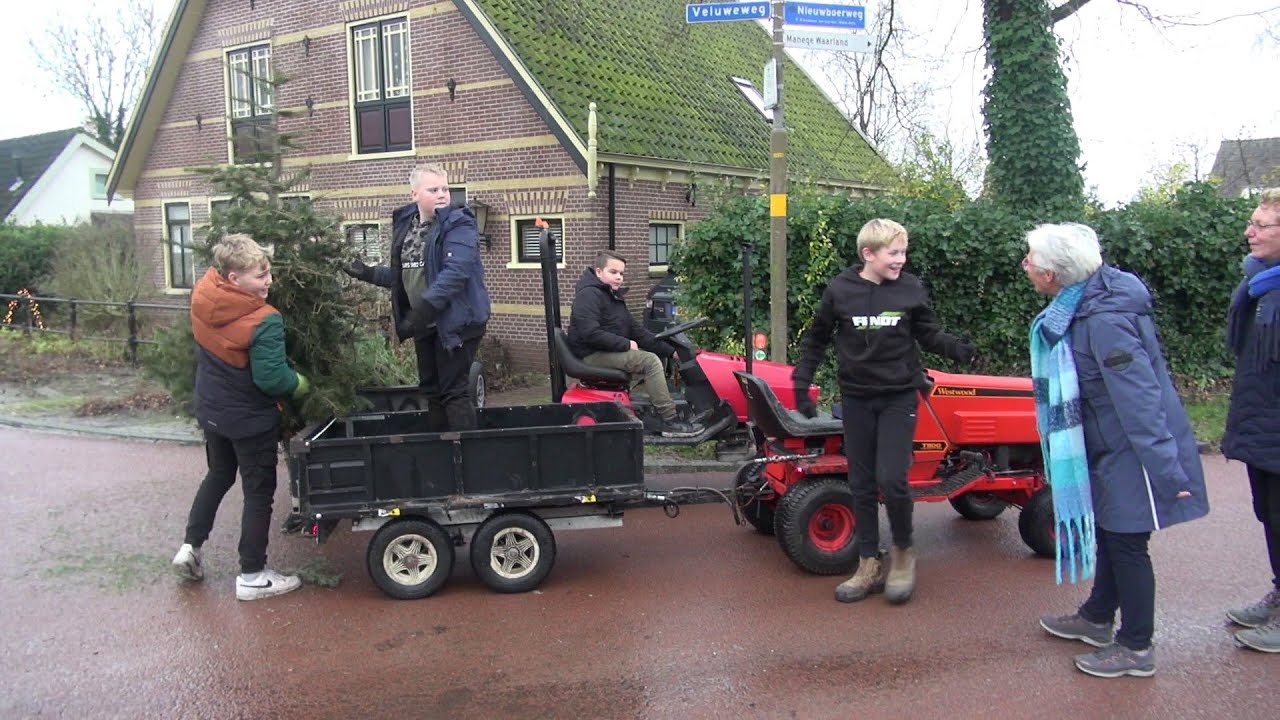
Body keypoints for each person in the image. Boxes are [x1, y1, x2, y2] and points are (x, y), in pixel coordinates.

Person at [1025, 222, 1209, 678]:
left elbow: (1140, 398)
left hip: (1132, 448)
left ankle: (1136, 646)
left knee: (1127, 543)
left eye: (1031, 259)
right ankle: (1097, 617)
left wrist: (1167, 469)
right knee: (1110, 532)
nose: (1025, 265)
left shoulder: (1104, 319)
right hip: (1108, 442)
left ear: (1053, 275)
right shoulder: (1080, 306)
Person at [791, 218, 975, 606]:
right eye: (893, 253)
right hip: (857, 398)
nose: (900, 260)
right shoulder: (841, 291)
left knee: (892, 478)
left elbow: (927, 332)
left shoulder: (909, 288)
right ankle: (868, 562)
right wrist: (801, 382)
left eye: (903, 252)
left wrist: (957, 347)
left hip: (898, 397)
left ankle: (904, 553)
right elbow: (817, 339)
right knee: (860, 482)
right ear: (868, 254)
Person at [171, 233, 310, 601]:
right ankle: (252, 574)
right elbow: (271, 378)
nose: (269, 282)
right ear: (234, 279)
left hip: (212, 411)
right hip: (249, 419)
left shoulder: (203, 292)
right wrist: (300, 383)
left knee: (218, 474)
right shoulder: (264, 320)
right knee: (259, 492)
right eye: (260, 276)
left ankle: (190, 547)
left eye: (268, 273)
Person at [346, 163, 491, 432]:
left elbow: (456, 273)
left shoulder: (459, 224)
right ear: (414, 194)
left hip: (457, 323)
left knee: (453, 392)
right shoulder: (407, 227)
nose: (442, 195)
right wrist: (365, 272)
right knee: (432, 391)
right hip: (426, 323)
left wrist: (423, 308)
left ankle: (469, 459)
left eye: (445, 189)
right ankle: (440, 453)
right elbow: (403, 276)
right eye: (433, 189)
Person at [1222, 187, 1280, 654]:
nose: (1249, 232)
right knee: (1271, 516)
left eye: (1261, 225)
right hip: (1263, 424)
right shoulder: (1261, 285)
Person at [567, 250, 703, 438]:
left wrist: (672, 352)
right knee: (650, 362)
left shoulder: (612, 297)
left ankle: (659, 409)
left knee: (659, 359)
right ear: (599, 272)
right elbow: (589, 333)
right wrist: (624, 344)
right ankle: (670, 420)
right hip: (591, 354)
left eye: (621, 273)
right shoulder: (589, 296)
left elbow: (638, 332)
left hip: (603, 349)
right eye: (613, 272)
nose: (619, 277)